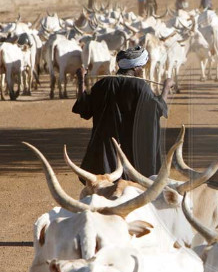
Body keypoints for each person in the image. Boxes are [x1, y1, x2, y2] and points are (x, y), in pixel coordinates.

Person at [72, 46, 173, 181]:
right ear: (135, 68)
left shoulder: (104, 83)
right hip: (131, 154)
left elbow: (84, 108)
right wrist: (166, 87)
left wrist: (81, 80)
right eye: (141, 67)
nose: (142, 70)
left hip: (105, 156)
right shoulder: (140, 87)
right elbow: (158, 109)